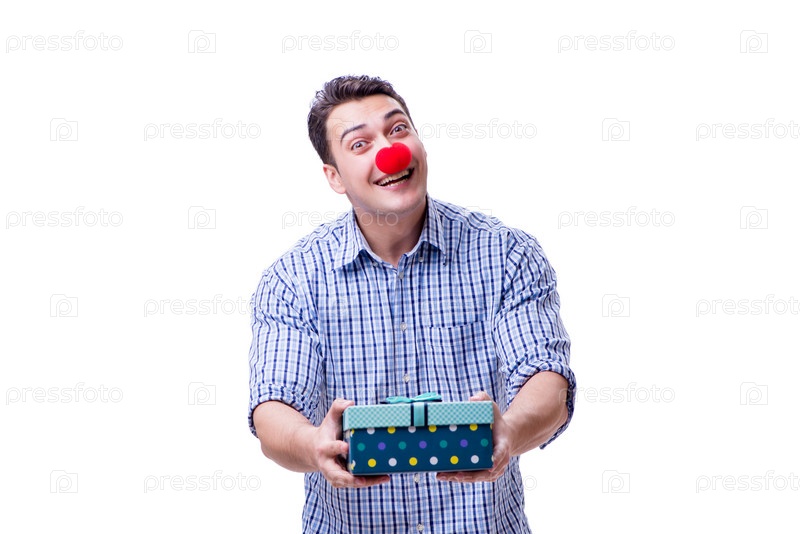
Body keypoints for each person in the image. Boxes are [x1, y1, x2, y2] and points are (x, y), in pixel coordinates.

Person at [248, 75, 576, 533]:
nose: (390, 151)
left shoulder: (507, 254)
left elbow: (546, 375)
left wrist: (511, 430)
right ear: (334, 177)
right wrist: (313, 444)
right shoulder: (292, 279)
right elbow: (273, 407)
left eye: (398, 129)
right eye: (360, 143)